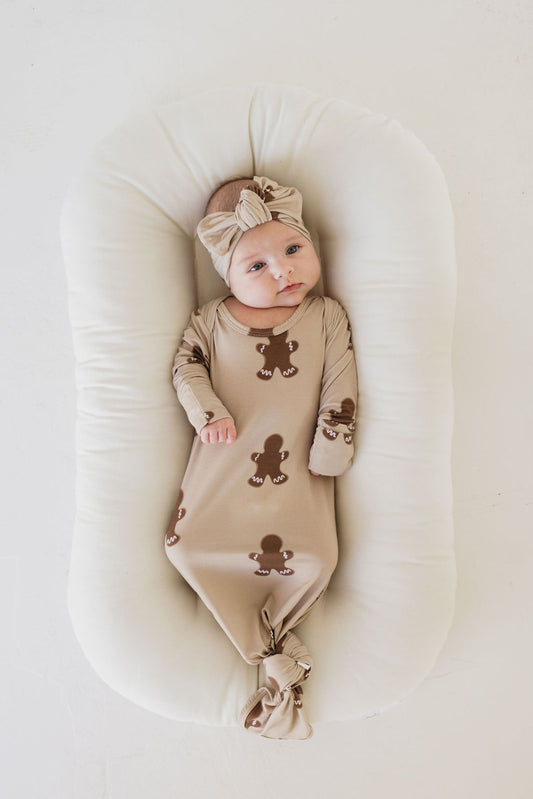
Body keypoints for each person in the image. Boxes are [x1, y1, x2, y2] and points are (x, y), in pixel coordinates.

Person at [165, 175, 357, 739]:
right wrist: (208, 413)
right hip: (224, 462)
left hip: (298, 472)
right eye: (257, 266)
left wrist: (333, 443)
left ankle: (277, 648)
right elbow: (184, 367)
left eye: (294, 249)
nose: (283, 272)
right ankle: (270, 651)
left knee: (317, 556)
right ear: (226, 275)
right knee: (186, 547)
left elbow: (340, 382)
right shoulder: (210, 321)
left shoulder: (326, 317)